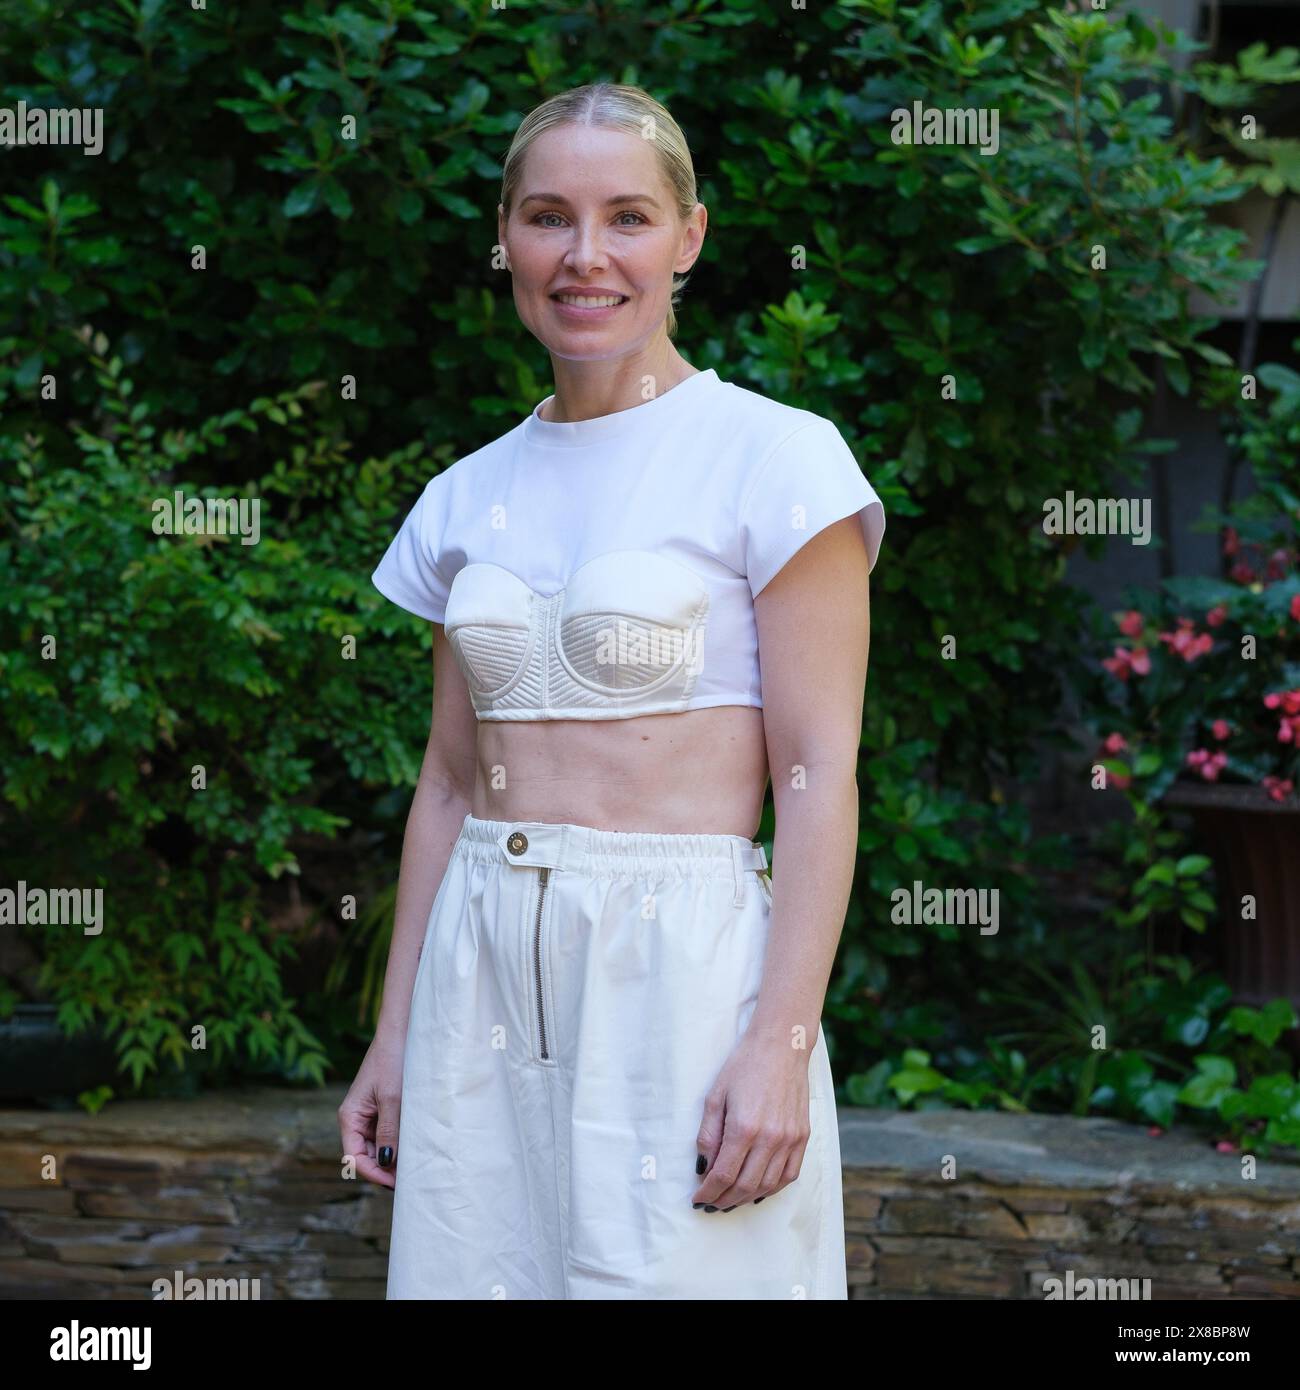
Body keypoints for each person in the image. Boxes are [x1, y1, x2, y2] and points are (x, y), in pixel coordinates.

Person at [339, 81, 884, 1300]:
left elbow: (815, 775)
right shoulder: (464, 493)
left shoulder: (778, 459)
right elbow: (445, 783)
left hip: (677, 970)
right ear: (506, 238)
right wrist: (394, 1032)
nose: (585, 256)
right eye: (548, 217)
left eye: (627, 217)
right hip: (477, 962)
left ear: (686, 238)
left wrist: (780, 1044)